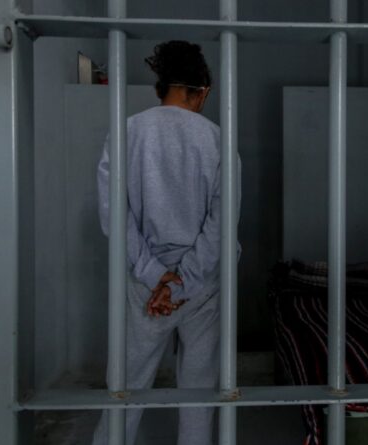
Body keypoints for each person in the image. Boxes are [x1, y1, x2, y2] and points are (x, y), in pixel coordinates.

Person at [92, 40, 240, 445]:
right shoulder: (218, 140)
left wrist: (157, 276)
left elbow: (114, 217)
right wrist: (183, 280)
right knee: (198, 393)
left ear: (160, 87)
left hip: (146, 284)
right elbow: (222, 225)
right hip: (203, 284)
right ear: (203, 91)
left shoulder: (126, 132)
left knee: (125, 390)